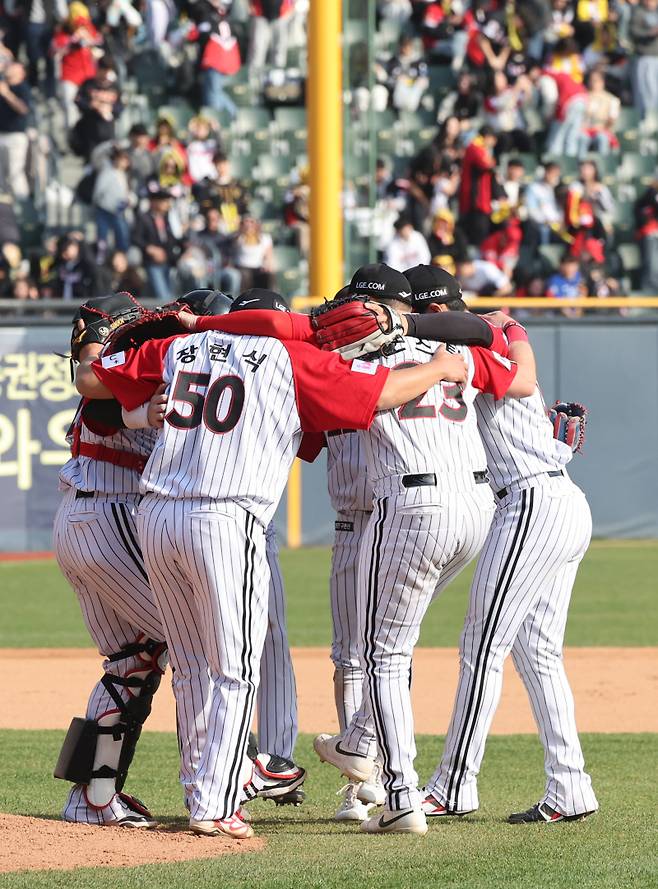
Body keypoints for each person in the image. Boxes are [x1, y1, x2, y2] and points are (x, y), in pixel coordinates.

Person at [75, 284, 470, 840]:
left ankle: (201, 793)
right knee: (235, 667)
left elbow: (90, 380)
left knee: (189, 666)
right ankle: (218, 803)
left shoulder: (182, 349)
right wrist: (441, 368)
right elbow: (382, 394)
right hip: (226, 517)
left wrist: (103, 351)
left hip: (158, 515)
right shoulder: (292, 356)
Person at [313, 263, 536, 835]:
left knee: (380, 655)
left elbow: (337, 387)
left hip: (410, 506)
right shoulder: (454, 345)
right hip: (477, 506)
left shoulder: (363, 356)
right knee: (392, 643)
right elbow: (510, 364)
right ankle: (360, 744)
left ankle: (401, 796)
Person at [408, 268, 599, 825]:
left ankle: (453, 786)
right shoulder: (487, 335)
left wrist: (409, 322)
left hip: (531, 503)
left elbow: (501, 349)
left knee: (481, 644)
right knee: (538, 653)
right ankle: (571, 787)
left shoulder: (478, 337)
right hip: (557, 499)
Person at [53, 293, 167, 829]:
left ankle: (93, 794)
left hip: (84, 520)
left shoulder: (117, 376)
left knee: (130, 664)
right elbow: (97, 390)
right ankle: (245, 767)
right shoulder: (108, 381)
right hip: (108, 516)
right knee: (198, 642)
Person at [132, 183, 181, 302]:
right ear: (154, 202)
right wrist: (149, 248)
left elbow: (173, 239)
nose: (167, 204)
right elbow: (135, 238)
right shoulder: (144, 218)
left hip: (168, 261)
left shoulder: (167, 218)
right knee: (163, 295)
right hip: (151, 262)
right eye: (164, 201)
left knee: (162, 290)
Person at [458, 125, 497, 246]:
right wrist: (491, 160)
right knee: (476, 237)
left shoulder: (479, 148)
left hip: (480, 201)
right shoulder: (475, 148)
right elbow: (487, 165)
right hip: (475, 202)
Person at [92, 145, 132, 257]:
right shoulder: (107, 172)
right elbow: (98, 192)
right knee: (102, 237)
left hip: (120, 210)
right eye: (120, 159)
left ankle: (121, 258)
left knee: (122, 235)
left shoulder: (125, 175)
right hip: (104, 209)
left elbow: (127, 193)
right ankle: (101, 257)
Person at [0, 61, 31, 198]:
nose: (9, 68)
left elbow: (23, 109)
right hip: (1, 134)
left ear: (21, 73)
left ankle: (23, 209)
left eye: (13, 67)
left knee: (15, 174)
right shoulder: (2, 85)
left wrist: (6, 94)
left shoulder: (22, 88)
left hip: (16, 136)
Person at [580, 67, 620, 155]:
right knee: (581, 138)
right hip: (585, 130)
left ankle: (603, 163)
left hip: (602, 130)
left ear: (602, 82)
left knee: (602, 138)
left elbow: (612, 120)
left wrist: (601, 127)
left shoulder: (612, 99)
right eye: (591, 80)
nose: (593, 83)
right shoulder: (582, 97)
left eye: (596, 80)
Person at [630, 0, 658, 117]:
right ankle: (647, 118)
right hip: (645, 56)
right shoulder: (638, 13)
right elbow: (633, 32)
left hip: (656, 56)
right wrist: (649, 33)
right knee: (646, 91)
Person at [525, 162, 563, 245]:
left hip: (556, 225)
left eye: (557, 175)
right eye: (553, 174)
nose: (555, 177)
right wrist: (545, 221)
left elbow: (557, 209)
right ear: (546, 173)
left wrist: (559, 220)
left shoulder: (554, 189)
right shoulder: (534, 188)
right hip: (540, 225)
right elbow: (531, 211)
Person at [234, 216, 275, 291]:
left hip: (258, 267)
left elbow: (268, 256)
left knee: (268, 275)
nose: (249, 225)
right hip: (242, 267)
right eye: (246, 222)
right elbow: (234, 244)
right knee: (245, 275)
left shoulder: (265, 238)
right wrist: (241, 230)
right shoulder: (239, 237)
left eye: (251, 222)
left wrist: (267, 265)